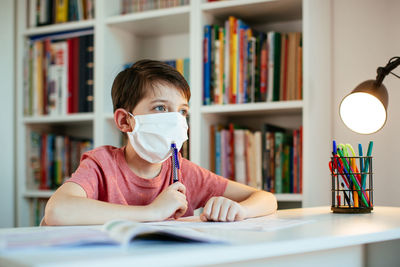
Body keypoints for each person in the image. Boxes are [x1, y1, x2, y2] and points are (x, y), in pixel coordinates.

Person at [43, 59, 277, 226]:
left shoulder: (183, 170)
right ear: (125, 121)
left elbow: (266, 199)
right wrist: (152, 212)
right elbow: (57, 210)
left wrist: (240, 209)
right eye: (160, 108)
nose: (175, 120)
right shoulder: (102, 164)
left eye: (182, 111)